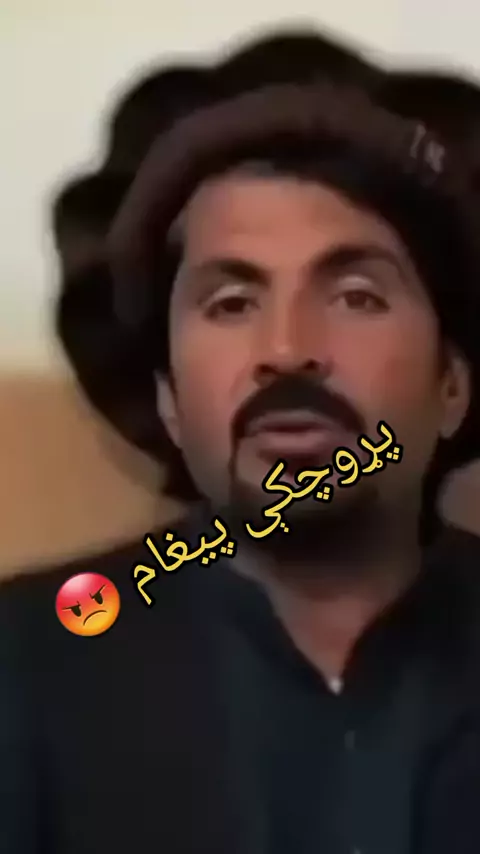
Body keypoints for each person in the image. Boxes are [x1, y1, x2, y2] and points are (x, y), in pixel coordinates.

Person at [2, 31, 480, 854]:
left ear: (452, 384)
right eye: (231, 304)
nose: (288, 350)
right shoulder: (24, 661)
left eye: (357, 296)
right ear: (168, 399)